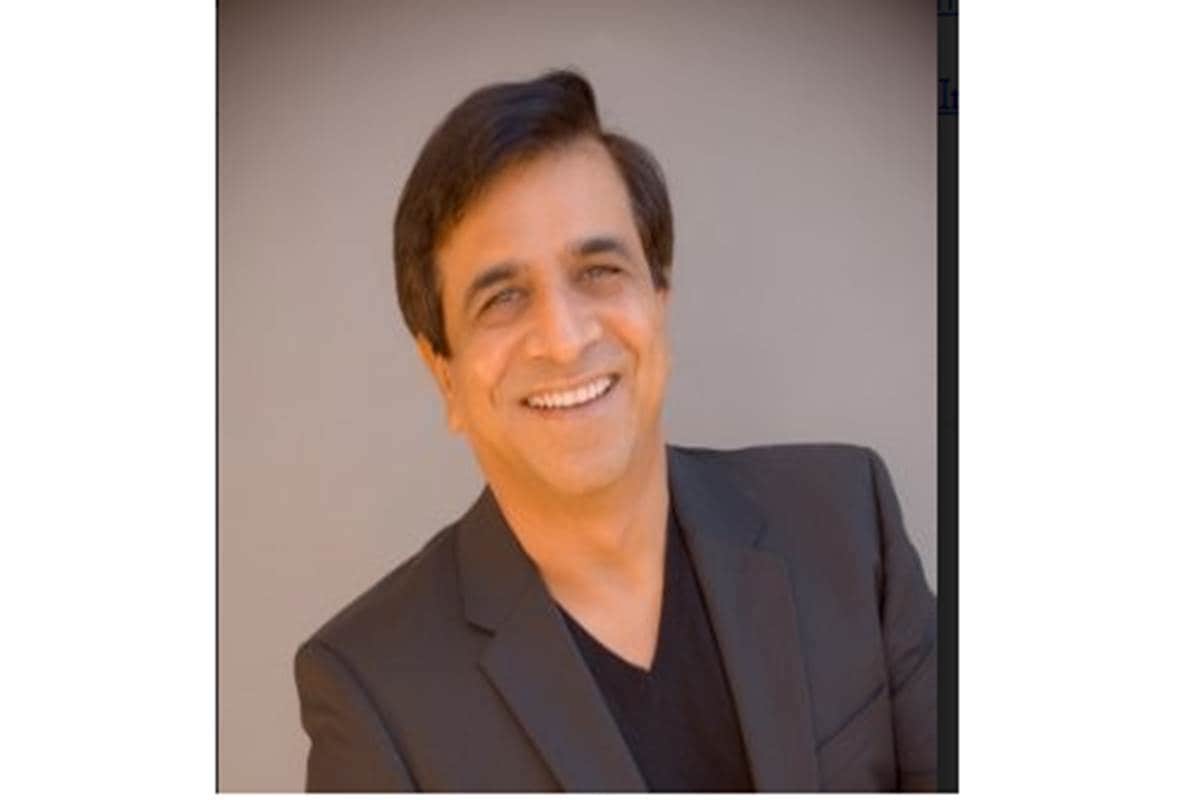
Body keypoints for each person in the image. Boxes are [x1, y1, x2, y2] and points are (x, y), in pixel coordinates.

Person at [293, 69, 936, 792]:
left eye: (598, 270)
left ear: (659, 300)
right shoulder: (375, 693)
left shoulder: (845, 523)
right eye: (502, 298)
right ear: (444, 373)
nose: (566, 340)